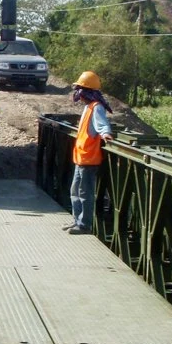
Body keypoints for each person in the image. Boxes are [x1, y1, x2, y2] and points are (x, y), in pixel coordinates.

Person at [64, 71, 113, 235]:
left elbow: (102, 124)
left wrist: (106, 133)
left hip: (89, 159)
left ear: (86, 91)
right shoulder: (88, 107)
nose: (78, 94)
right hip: (81, 158)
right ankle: (77, 220)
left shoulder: (96, 107)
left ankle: (84, 225)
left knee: (85, 193)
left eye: (80, 90)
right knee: (75, 191)